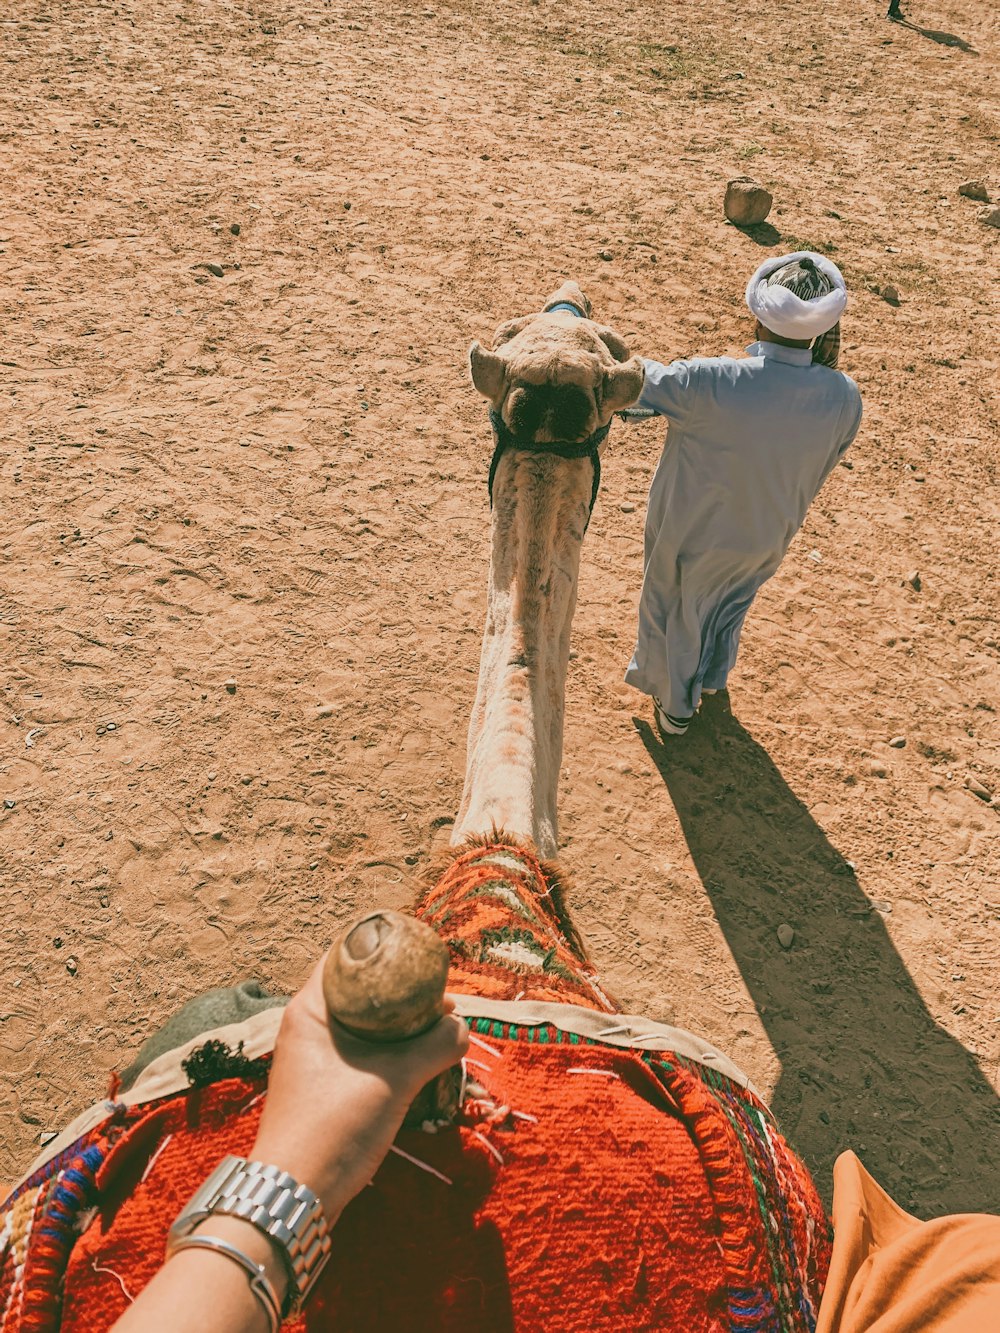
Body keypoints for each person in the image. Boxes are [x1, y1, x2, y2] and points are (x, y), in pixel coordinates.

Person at [624, 251, 863, 736]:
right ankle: (711, 680)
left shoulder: (709, 380)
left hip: (694, 531)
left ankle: (676, 709)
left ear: (758, 314)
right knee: (728, 606)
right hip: (767, 537)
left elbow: (630, 385)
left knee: (681, 608)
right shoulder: (844, 396)